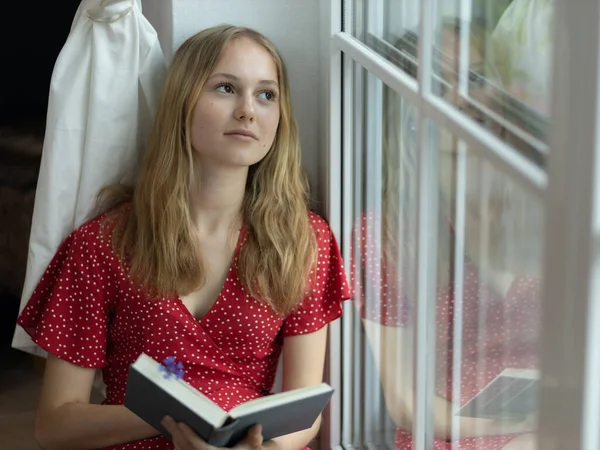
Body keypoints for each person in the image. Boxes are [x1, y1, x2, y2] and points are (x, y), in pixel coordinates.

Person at [17, 24, 352, 450]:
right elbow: (55, 425)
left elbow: (306, 411)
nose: (249, 110)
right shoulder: (102, 245)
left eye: (267, 94)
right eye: (226, 88)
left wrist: (260, 449)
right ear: (182, 102)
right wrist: (169, 418)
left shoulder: (305, 240)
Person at [352, 18, 543, 450]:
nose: (465, 99)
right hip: (453, 433)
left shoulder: (547, 201)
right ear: (408, 113)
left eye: (476, 78)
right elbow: (404, 402)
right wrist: (519, 433)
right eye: (439, 86)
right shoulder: (388, 232)